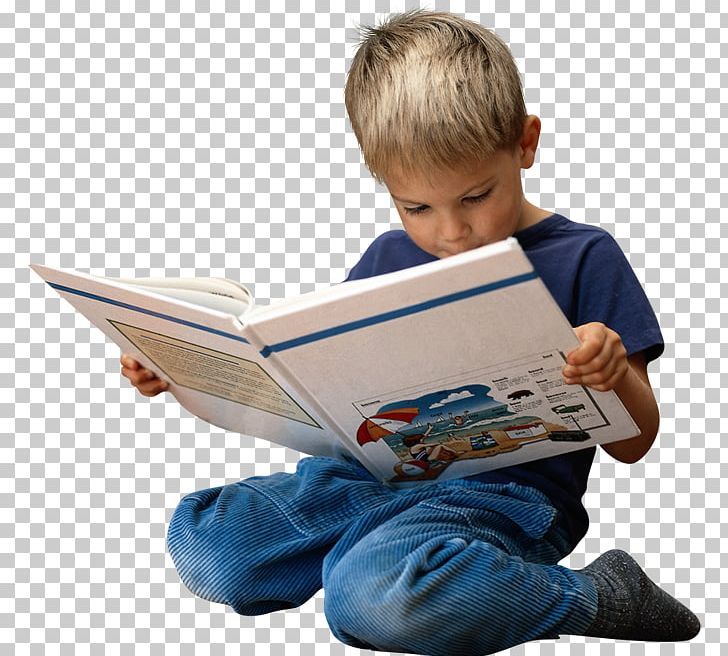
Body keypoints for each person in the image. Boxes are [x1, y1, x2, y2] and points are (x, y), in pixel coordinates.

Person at [120, 10, 700, 655]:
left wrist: (613, 373)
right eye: (416, 207)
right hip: (367, 479)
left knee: (376, 601)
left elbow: (636, 444)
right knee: (209, 546)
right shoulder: (386, 258)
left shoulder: (583, 256)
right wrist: (185, 373)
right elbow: (321, 402)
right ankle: (390, 557)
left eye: (477, 196)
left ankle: (595, 596)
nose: (451, 233)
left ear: (525, 144)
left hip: (504, 496)